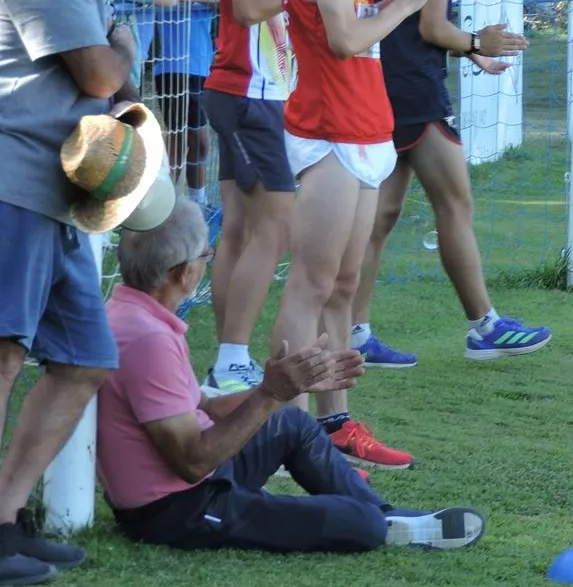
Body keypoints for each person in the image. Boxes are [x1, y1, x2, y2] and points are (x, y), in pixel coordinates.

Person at [97, 198, 486, 554]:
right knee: (362, 526)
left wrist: (287, 388)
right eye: (206, 254)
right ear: (183, 273)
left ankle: (388, 514)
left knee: (292, 423)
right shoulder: (148, 338)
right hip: (180, 508)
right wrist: (269, 393)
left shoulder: (137, 314)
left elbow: (208, 407)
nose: (208, 261)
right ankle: (379, 520)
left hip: (202, 480)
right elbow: (192, 463)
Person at [271, 0, 450, 470]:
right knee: (312, 287)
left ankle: (335, 423)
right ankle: (281, 430)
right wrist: (405, 1)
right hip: (328, 130)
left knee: (343, 285)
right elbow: (345, 39)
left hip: (362, 124)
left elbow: (354, 26)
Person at [351, 0, 551, 368]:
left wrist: (471, 54)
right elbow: (431, 26)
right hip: (417, 93)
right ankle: (483, 326)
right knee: (455, 206)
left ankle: (355, 331)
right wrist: (476, 43)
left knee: (382, 216)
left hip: (385, 83)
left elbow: (409, 25)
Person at [0, 0, 139, 583]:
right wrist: (120, 44)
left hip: (59, 195)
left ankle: (5, 519)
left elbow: (110, 81)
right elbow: (99, 73)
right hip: (13, 185)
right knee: (3, 356)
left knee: (84, 359)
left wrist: (117, 54)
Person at [202, 0, 318, 397]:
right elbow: (247, 7)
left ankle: (228, 361)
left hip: (250, 92)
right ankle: (230, 360)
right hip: (246, 93)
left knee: (243, 230)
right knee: (276, 227)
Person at [155, 0, 215, 205]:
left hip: (202, 70)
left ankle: (198, 202)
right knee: (177, 141)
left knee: (200, 143)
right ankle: (165, 205)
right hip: (171, 69)